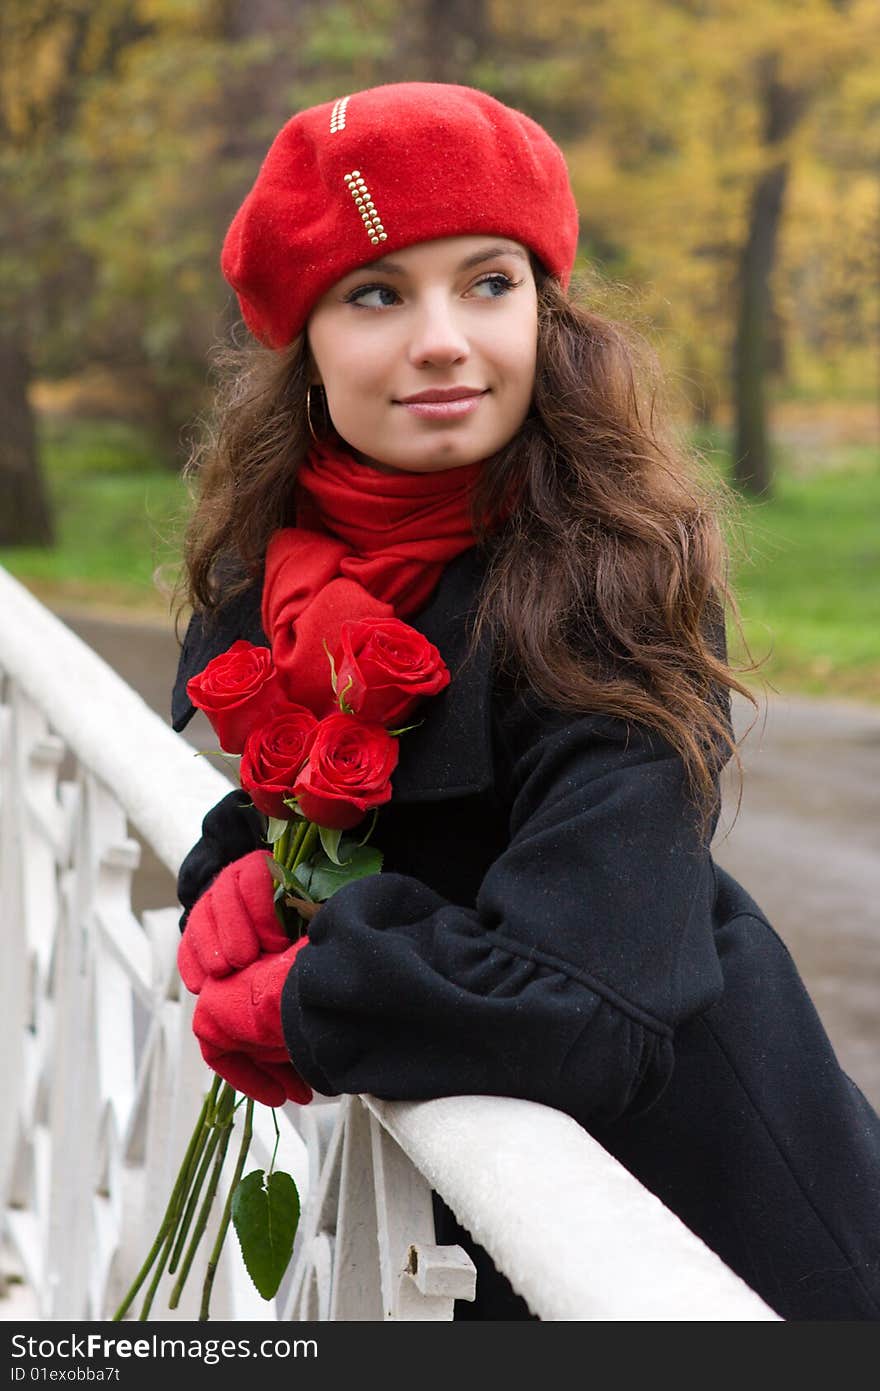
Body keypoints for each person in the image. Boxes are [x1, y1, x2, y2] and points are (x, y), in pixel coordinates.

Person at [170, 81, 880, 1322]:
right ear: (306, 344)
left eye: (488, 282)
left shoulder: (609, 575)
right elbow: (422, 838)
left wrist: (312, 983)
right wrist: (244, 872)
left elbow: (584, 1002)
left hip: (701, 1231)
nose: (442, 338)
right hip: (455, 1235)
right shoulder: (289, 570)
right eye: (377, 293)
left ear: (546, 312)